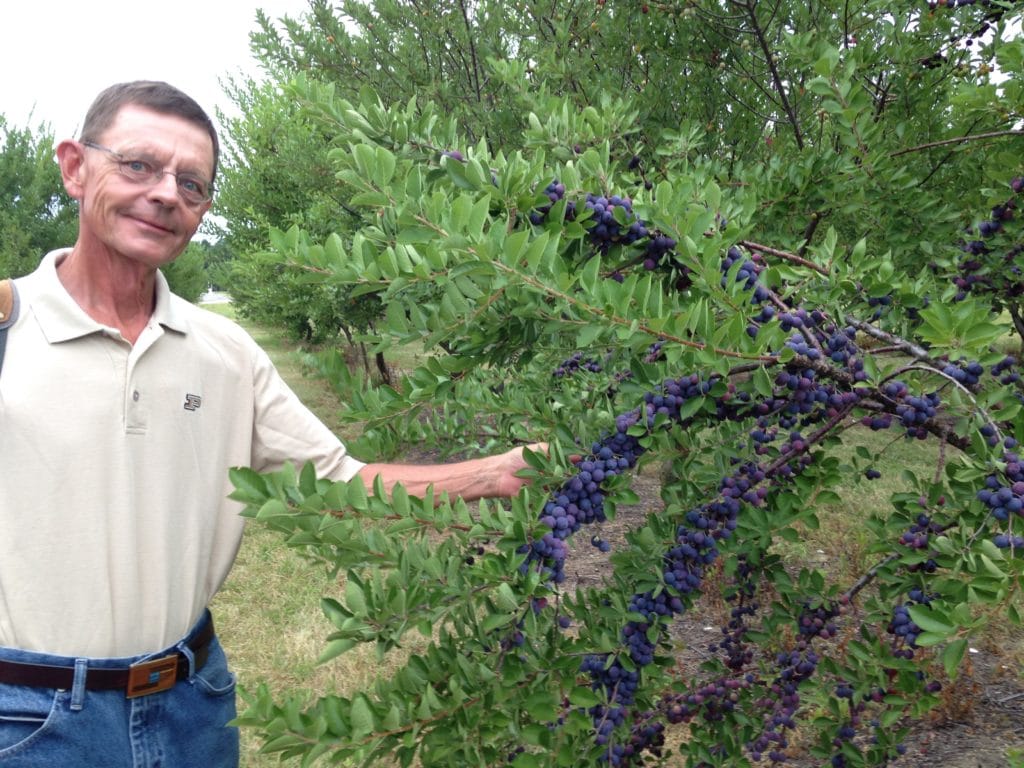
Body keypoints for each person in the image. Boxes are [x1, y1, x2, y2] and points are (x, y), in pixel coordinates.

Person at [0, 81, 535, 767]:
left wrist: (497, 472)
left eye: (190, 183)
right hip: (30, 719)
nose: (166, 193)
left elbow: (342, 484)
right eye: (138, 165)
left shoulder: (225, 353)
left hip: (191, 704)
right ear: (75, 166)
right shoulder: (10, 330)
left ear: (203, 210)